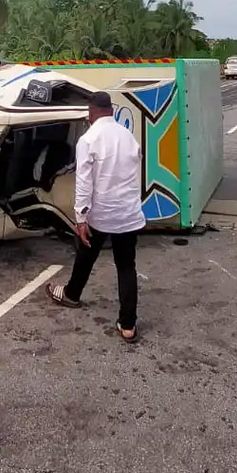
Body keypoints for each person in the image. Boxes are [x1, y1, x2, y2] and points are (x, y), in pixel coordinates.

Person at [45, 92, 146, 343]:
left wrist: (80, 217)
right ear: (110, 110)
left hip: (102, 213)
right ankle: (128, 325)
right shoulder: (128, 136)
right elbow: (136, 170)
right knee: (126, 265)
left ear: (91, 112)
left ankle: (71, 294)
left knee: (86, 252)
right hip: (128, 213)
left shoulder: (89, 139)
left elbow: (84, 182)